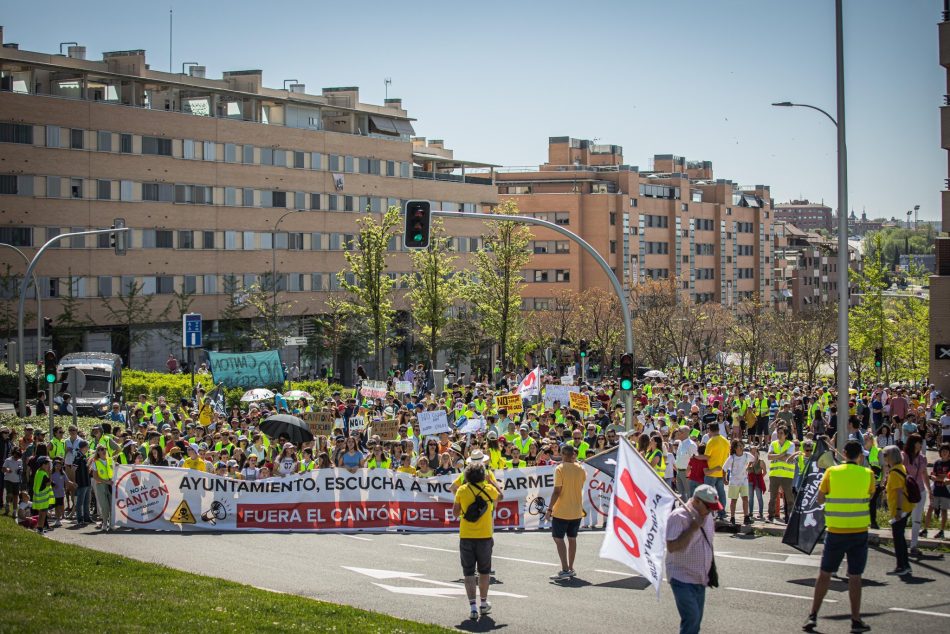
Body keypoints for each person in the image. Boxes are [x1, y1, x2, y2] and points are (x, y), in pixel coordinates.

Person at [804, 440, 873, 633]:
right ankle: (855, 619)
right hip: (859, 532)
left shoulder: (831, 472)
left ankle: (813, 615)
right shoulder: (868, 474)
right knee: (855, 577)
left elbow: (820, 498)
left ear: (843, 454)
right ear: (860, 456)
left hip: (836, 531)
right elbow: (870, 494)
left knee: (825, 574)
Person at [666, 484, 721, 634]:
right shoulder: (678, 516)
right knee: (691, 619)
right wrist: (692, 528)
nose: (711, 510)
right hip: (681, 578)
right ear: (696, 501)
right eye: (708, 506)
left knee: (695, 623)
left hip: (700, 578)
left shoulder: (708, 515)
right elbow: (671, 546)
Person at [453, 461, 501, 621]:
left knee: (468, 572)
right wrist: (492, 481)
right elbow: (500, 495)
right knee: (484, 572)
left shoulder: (462, 490)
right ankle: (483, 603)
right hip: (485, 536)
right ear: (482, 475)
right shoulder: (490, 489)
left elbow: (455, 513)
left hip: (466, 535)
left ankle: (472, 606)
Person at [545, 443, 586, 579]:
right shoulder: (581, 469)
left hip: (562, 510)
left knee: (558, 538)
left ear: (563, 454)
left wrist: (549, 508)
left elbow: (557, 491)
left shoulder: (560, 468)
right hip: (576, 510)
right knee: (572, 539)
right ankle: (571, 568)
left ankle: (565, 568)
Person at [882, 445, 914, 577]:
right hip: (906, 507)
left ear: (891, 457)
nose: (884, 457)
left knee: (898, 539)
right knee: (899, 537)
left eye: (885, 455)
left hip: (901, 508)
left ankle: (903, 565)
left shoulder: (895, 472)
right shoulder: (899, 468)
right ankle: (904, 564)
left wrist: (899, 510)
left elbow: (899, 492)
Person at [767, 426, 795, 523]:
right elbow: (769, 456)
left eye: (781, 433)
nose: (779, 435)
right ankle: (770, 516)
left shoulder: (790, 444)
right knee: (772, 497)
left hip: (787, 475)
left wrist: (776, 455)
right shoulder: (773, 443)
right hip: (774, 474)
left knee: (788, 498)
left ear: (786, 435)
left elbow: (788, 458)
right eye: (778, 433)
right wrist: (782, 454)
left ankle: (789, 517)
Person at [922, 443, 949, 539]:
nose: (944, 452)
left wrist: (939, 478)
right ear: (940, 452)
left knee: (944, 510)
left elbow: (948, 480)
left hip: (946, 491)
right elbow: (932, 476)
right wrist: (942, 478)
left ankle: (941, 531)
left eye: (946, 451)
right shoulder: (937, 463)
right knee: (930, 508)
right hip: (936, 489)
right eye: (942, 451)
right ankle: (925, 529)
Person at [702, 423, 729, 521]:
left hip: (711, 471)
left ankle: (708, 513)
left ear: (710, 430)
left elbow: (707, 456)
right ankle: (722, 512)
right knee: (721, 493)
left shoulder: (711, 441)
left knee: (708, 493)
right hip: (721, 471)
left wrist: (696, 457)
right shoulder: (726, 441)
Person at [723, 439, 752, 525]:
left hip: (744, 480)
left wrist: (749, 467)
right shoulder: (732, 458)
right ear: (734, 448)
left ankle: (746, 517)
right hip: (734, 481)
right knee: (734, 500)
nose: (739, 448)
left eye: (741, 445)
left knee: (745, 499)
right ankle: (732, 517)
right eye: (737, 446)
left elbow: (754, 459)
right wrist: (724, 479)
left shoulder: (747, 455)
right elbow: (724, 469)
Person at [92, 445, 114, 532]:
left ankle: (111, 524)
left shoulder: (110, 460)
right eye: (101, 449)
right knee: (104, 506)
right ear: (98, 452)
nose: (104, 451)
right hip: (101, 485)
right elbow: (95, 477)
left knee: (112, 505)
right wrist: (106, 482)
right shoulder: (96, 462)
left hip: (111, 485)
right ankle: (104, 523)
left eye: (105, 449)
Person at [72, 440, 92, 527]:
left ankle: (87, 517)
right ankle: (80, 519)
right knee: (80, 502)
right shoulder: (78, 456)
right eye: (87, 446)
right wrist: (74, 481)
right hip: (81, 482)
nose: (88, 448)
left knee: (87, 501)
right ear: (83, 447)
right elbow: (73, 469)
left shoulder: (84, 456)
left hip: (87, 481)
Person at [32, 456, 53, 533]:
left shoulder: (39, 471)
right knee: (43, 514)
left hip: (38, 496)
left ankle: (39, 527)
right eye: (48, 464)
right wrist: (50, 473)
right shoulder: (43, 474)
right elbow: (48, 483)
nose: (49, 465)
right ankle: (40, 528)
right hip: (43, 498)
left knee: (41, 513)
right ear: (43, 464)